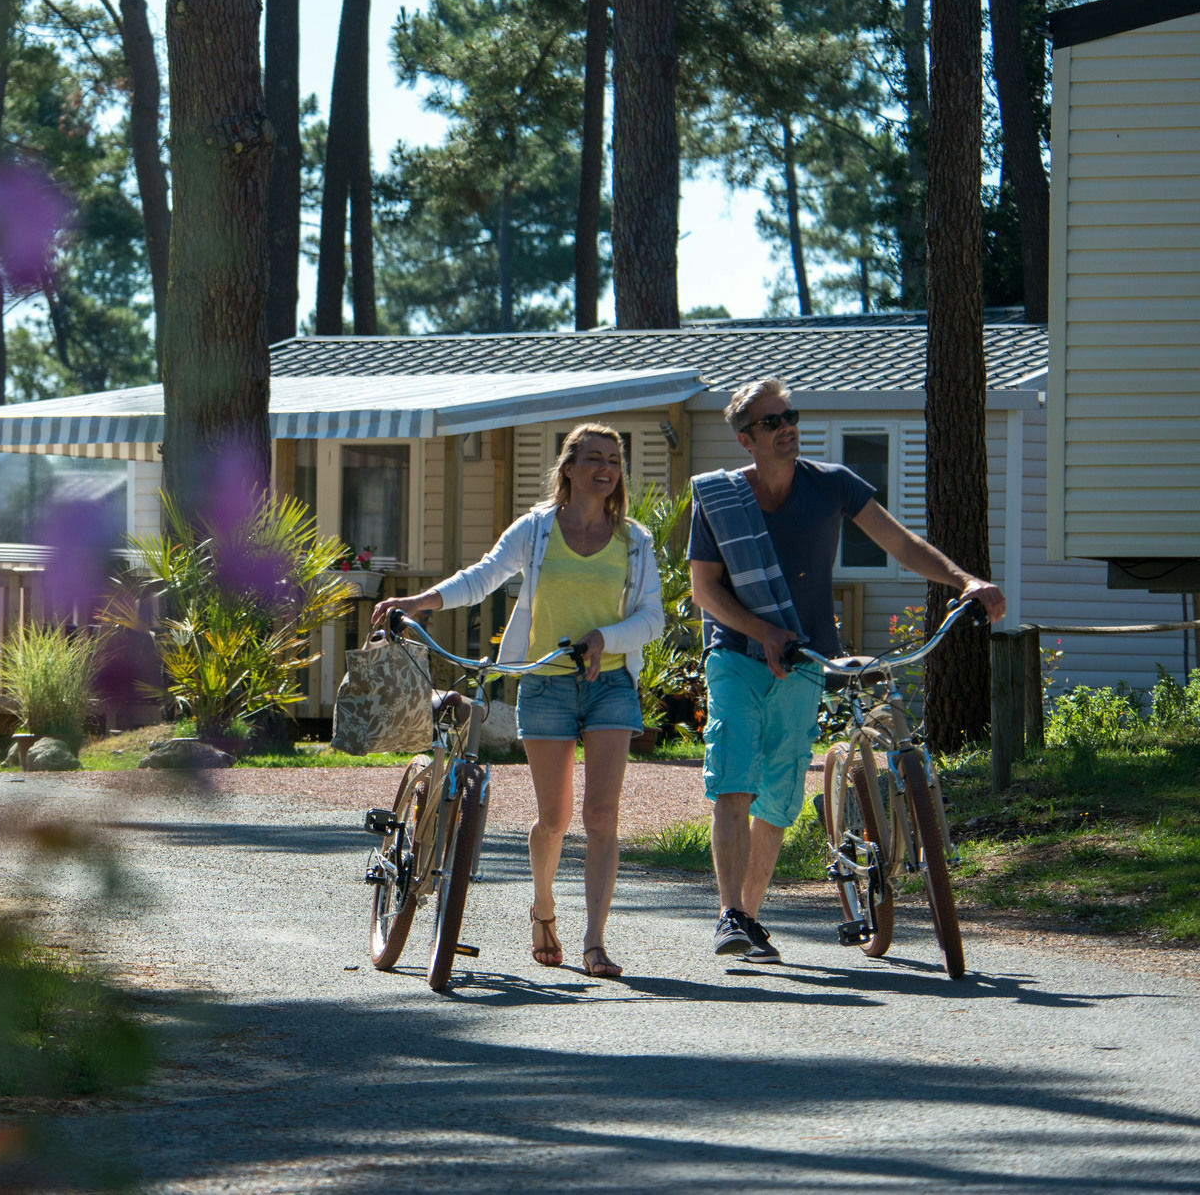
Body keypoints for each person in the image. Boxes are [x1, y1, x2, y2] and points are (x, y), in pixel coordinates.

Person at [688, 378, 1007, 964]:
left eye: (790, 415)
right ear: (744, 439)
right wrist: (763, 632)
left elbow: (902, 543)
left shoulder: (831, 484)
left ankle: (748, 918)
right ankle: (730, 915)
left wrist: (965, 580)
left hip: (807, 657)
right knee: (734, 778)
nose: (786, 426)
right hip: (736, 653)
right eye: (770, 421)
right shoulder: (720, 500)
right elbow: (704, 590)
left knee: (779, 796)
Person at [372, 423, 664, 979]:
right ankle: (544, 908)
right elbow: (482, 577)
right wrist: (421, 600)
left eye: (615, 460)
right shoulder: (536, 531)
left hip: (610, 686)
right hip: (545, 683)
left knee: (601, 814)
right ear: (569, 468)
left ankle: (595, 941)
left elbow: (652, 618)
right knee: (554, 818)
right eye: (594, 458)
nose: (606, 468)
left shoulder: (635, 541)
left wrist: (606, 639)